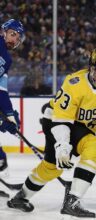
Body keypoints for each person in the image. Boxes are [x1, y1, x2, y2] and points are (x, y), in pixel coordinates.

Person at [7, 48, 96, 218]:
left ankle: (21, 197)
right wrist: (63, 145)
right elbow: (62, 118)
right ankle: (73, 201)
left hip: (78, 126)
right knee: (95, 148)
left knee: (52, 168)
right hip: (56, 121)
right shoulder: (75, 83)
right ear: (91, 69)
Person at [0, 19, 25, 197]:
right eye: (13, 34)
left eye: (17, 37)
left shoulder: (6, 59)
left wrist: (8, 115)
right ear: (3, 31)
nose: (14, 39)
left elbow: (1, 90)